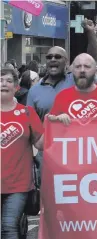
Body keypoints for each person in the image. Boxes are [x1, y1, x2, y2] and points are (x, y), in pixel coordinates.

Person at [1, 68, 44, 239]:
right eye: (0, 80)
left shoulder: (26, 112)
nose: (4, 83)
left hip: (18, 185)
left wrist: (56, 125)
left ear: (16, 87)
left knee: (9, 227)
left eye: (8, 81)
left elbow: (40, 143)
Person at [47, 54, 97, 125]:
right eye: (78, 66)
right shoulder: (62, 96)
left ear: (96, 70)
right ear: (72, 70)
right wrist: (57, 121)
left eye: (87, 66)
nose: (82, 70)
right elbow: (49, 130)